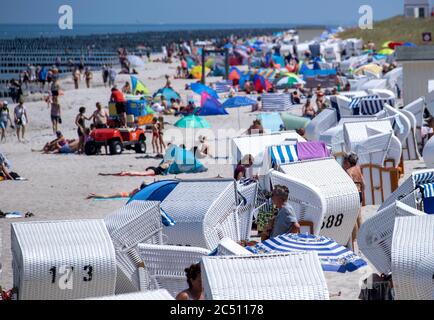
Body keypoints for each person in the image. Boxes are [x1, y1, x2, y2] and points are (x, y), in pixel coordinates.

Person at [343, 152, 365, 249]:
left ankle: (355, 238)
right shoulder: (358, 169)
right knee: (359, 216)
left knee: (353, 218)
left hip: (353, 194)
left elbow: (350, 185)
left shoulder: (348, 171)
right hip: (359, 192)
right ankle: (362, 235)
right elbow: (364, 183)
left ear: (348, 162)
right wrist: (362, 192)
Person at [98, 160, 173, 177]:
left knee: (139, 173)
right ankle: (125, 172)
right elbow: (165, 173)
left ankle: (110, 174)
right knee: (139, 173)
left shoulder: (166, 161)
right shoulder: (169, 165)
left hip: (153, 168)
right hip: (154, 171)